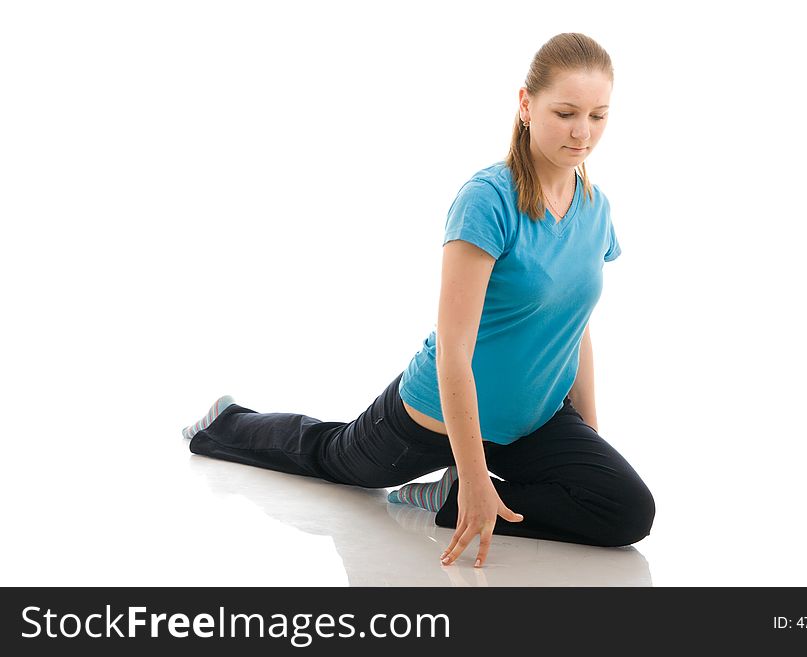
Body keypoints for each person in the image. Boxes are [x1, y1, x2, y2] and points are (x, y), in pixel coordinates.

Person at [182, 32, 655, 569]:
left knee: (628, 513)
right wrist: (477, 476)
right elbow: (455, 350)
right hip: (438, 414)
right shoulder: (487, 201)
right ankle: (225, 422)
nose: (582, 132)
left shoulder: (595, 208)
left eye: (598, 116)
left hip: (536, 418)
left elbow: (575, 326)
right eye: (566, 112)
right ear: (526, 104)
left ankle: (447, 497)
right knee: (335, 459)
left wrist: (588, 435)